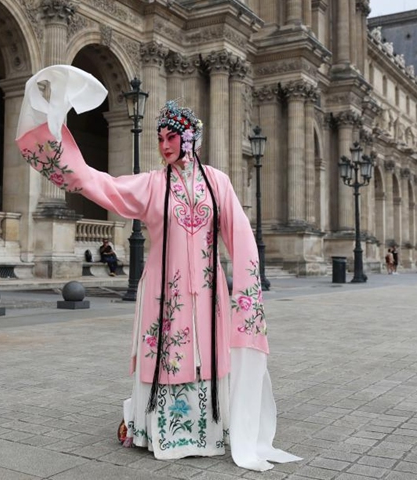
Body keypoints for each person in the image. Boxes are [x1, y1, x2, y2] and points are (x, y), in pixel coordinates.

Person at [15, 65, 300, 471]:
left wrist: (246, 293)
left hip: (208, 292)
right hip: (163, 291)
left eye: (172, 137)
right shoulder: (151, 184)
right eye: (160, 138)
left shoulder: (218, 183)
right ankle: (156, 428)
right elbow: (102, 185)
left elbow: (241, 237)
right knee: (166, 354)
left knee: (207, 354)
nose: (165, 145)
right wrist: (51, 136)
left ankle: (209, 430)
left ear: (190, 139)